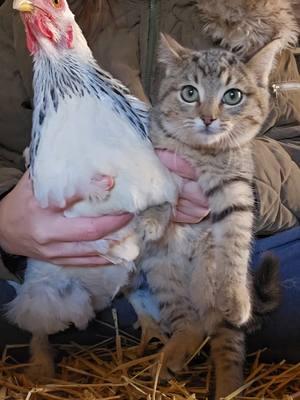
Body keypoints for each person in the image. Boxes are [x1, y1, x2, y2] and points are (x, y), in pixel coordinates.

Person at [0, 0, 299, 362]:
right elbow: (5, 151)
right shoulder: (27, 12)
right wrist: (5, 221)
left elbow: (293, 146)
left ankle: (144, 329)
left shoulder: (259, 12)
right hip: (67, 272)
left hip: (212, 257)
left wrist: (229, 185)